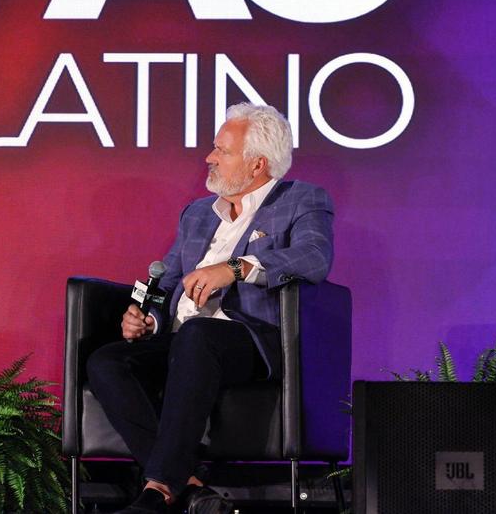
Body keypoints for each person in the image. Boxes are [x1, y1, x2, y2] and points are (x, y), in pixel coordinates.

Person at [87, 103, 333, 514]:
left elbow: (314, 257)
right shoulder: (198, 214)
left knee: (200, 335)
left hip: (251, 338)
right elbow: (166, 284)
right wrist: (151, 318)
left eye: (222, 150)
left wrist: (237, 268)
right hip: (186, 338)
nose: (209, 157)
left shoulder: (301, 199)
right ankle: (191, 488)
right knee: (108, 361)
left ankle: (158, 489)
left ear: (257, 163)